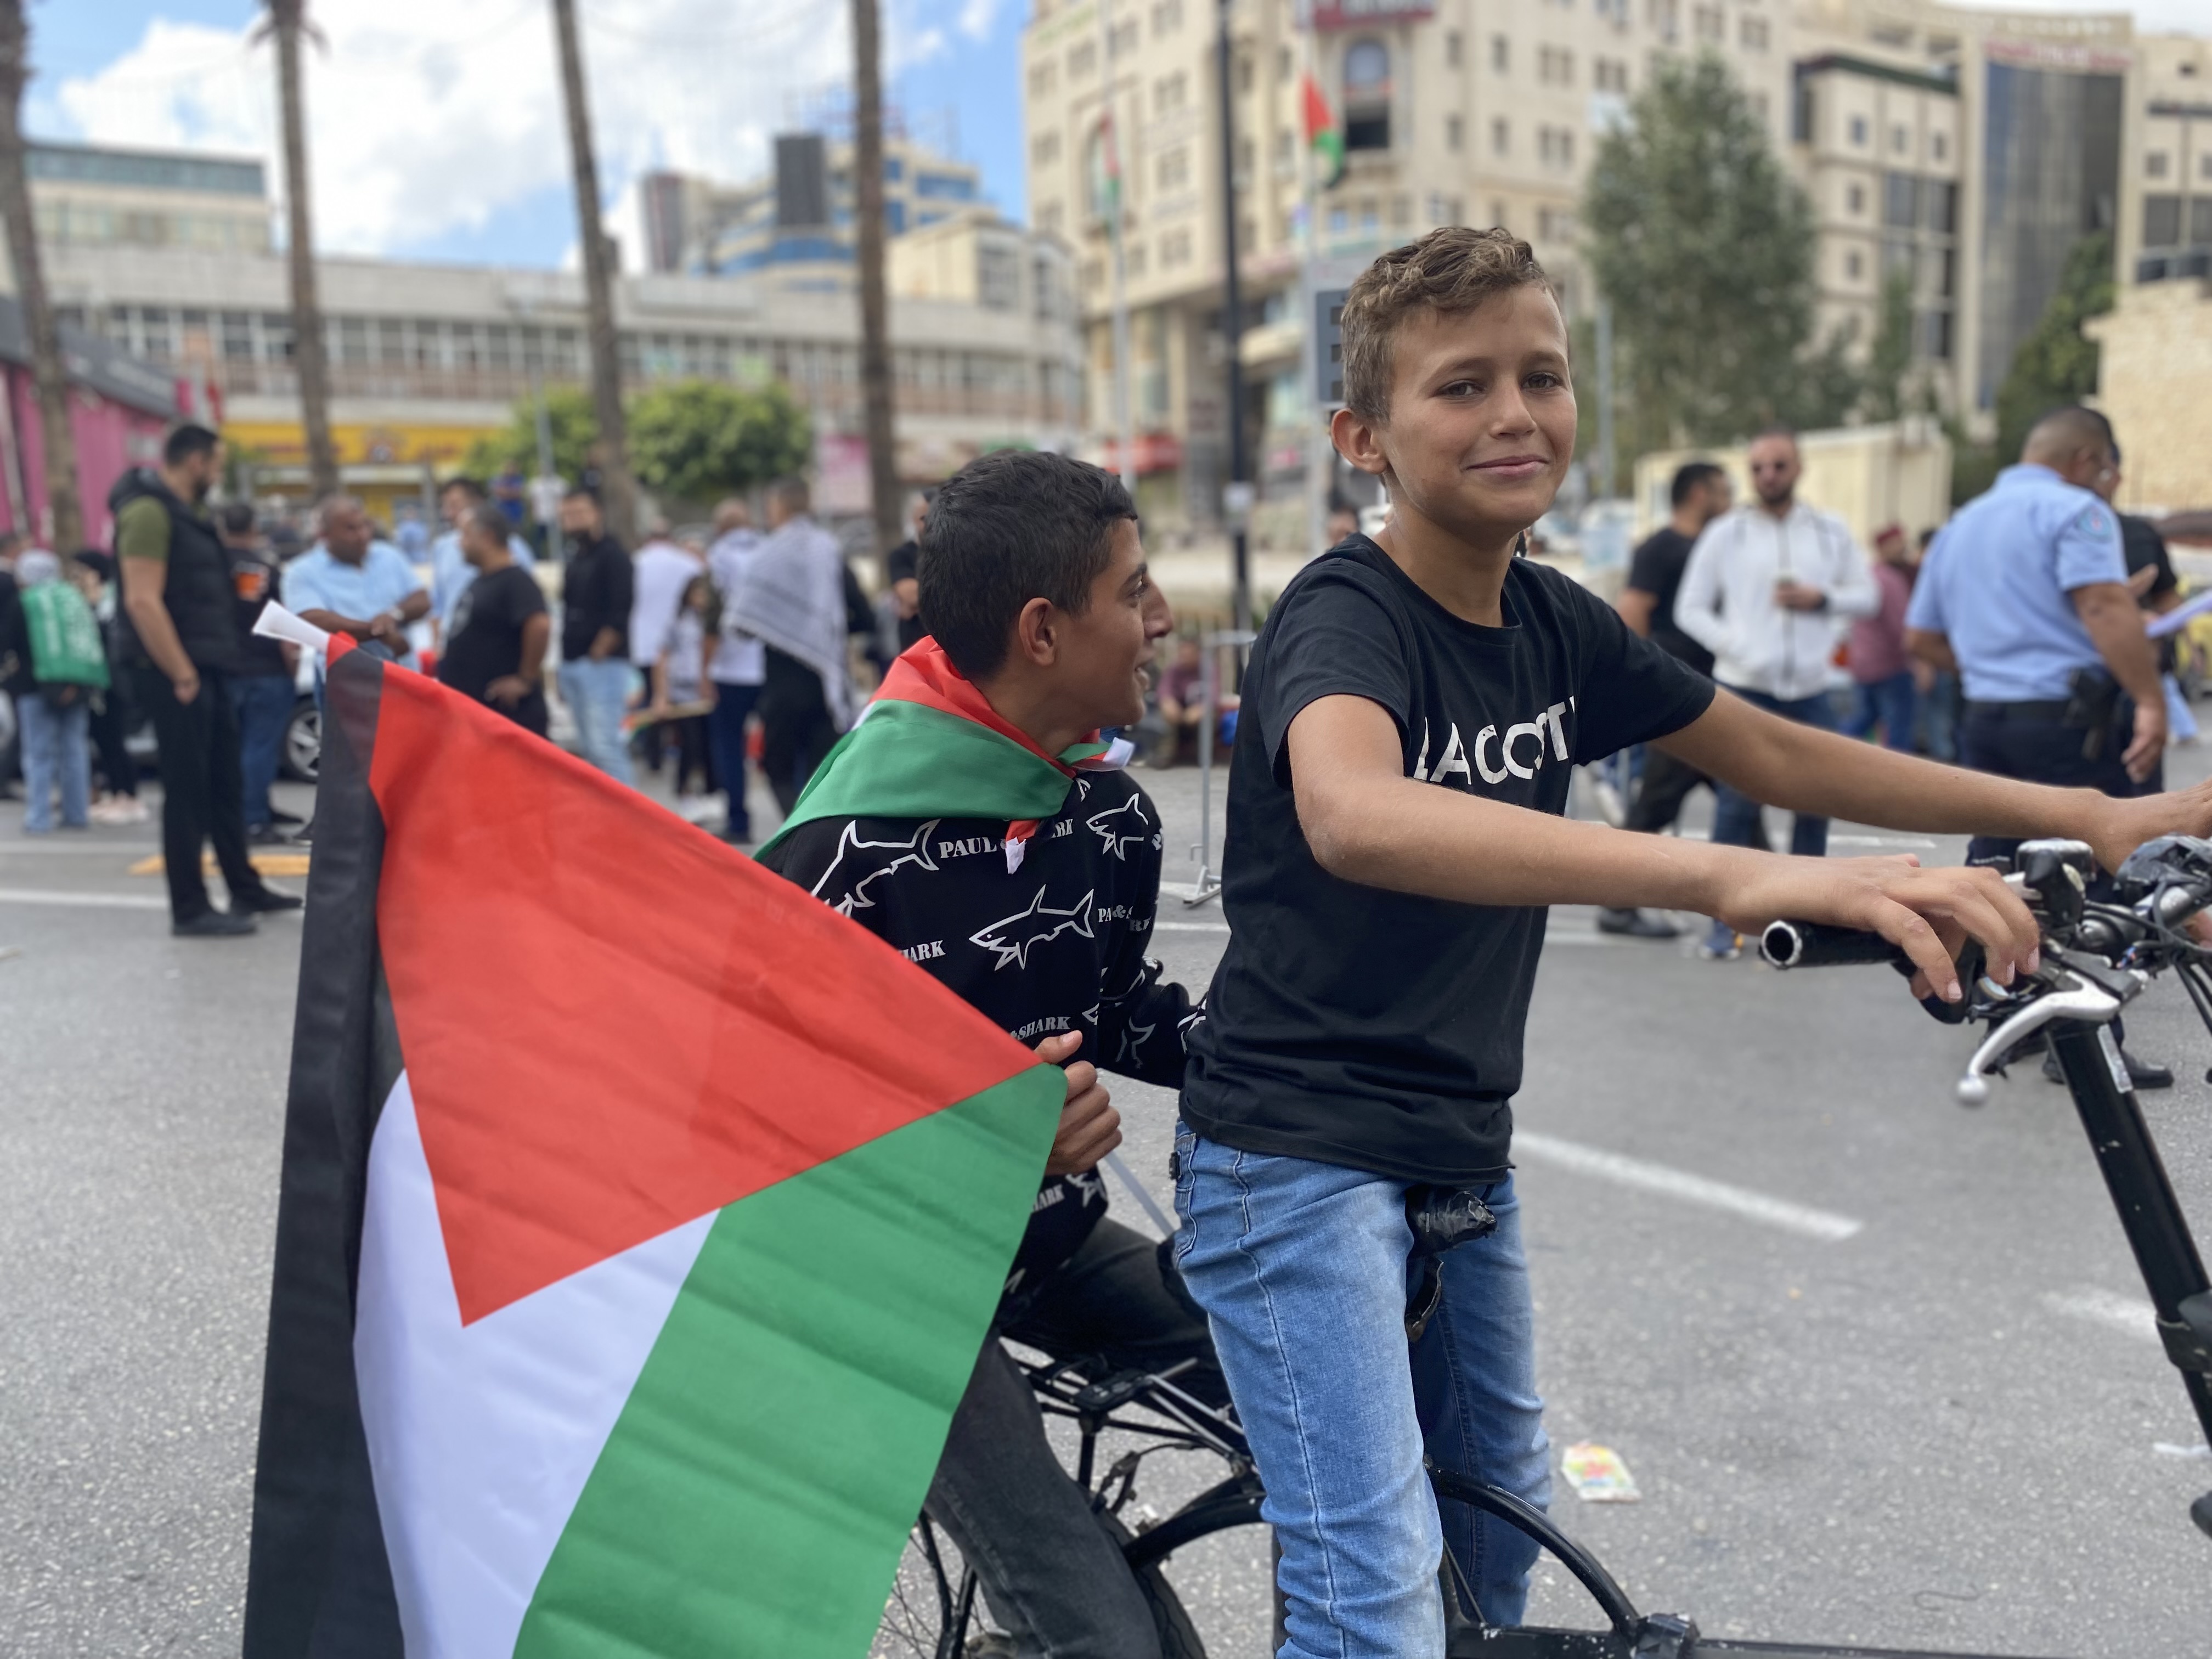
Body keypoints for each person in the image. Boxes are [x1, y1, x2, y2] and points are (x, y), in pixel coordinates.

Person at [1171, 228, 2212, 1659]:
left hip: (1456, 1141)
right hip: (1292, 1154)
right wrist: (1729, 881)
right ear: (1362, 435)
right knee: (1375, 1596)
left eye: (1542, 376)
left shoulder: (1553, 619)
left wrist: (2091, 814)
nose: (1515, 414)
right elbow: (1359, 813)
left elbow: (1775, 751)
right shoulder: (1344, 613)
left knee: (1498, 1544)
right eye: (1461, 387)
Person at [757, 449, 1215, 1659]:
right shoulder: (839, 857)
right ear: (1044, 632)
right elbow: (753, 1138)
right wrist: (993, 1138)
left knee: (1294, 1379)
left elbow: (1115, 1002)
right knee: (1108, 1642)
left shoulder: (1109, 814)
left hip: (1042, 1241)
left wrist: (1306, 1065)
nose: (1163, 619)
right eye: (1136, 589)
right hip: (882, 1290)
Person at [1905, 404, 2175, 1088]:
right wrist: (2149, 699)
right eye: (2109, 471)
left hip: (1990, 716)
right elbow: (2104, 609)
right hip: (2066, 719)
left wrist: (2001, 660)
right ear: (2089, 460)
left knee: (1997, 868)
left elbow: (1924, 640)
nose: (2108, 486)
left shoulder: (1963, 524)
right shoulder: (2077, 513)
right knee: (2086, 874)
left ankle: (1999, 1017)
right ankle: (2084, 1045)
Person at [1674, 427, 1878, 959]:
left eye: (1779, 466)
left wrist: (1822, 599)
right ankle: (1724, 926)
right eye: (1759, 467)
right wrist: (1738, 647)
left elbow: (1869, 597)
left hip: (1811, 688)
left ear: (1798, 468)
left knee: (1815, 803)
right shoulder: (1727, 534)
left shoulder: (1828, 532)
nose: (1768, 475)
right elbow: (1689, 608)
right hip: (1745, 688)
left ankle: (1807, 921)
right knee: (1735, 807)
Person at [114, 424, 301, 937]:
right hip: (174, 671)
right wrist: (182, 672)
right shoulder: (147, 512)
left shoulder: (190, 518)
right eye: (216, 464)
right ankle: (190, 907)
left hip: (207, 667)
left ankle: (244, 886)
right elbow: (141, 599)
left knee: (225, 782)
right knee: (188, 789)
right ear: (195, 461)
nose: (217, 474)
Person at [1598, 459, 1735, 939]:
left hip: (1712, 696)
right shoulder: (1662, 548)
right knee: (1656, 808)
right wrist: (1638, 689)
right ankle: (1616, 904)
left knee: (1746, 797)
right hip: (1678, 701)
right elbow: (1633, 611)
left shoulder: (1714, 547)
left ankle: (1780, 904)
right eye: (1723, 491)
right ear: (1699, 494)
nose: (1730, 499)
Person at [726, 477, 856, 813]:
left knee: (777, 765)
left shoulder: (767, 553)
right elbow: (858, 610)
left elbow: (742, 620)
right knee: (821, 772)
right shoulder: (828, 547)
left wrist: (780, 625)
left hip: (782, 681)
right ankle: (814, 837)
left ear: (780, 507)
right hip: (823, 681)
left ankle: (792, 831)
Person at [216, 503, 298, 845]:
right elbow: (283, 627)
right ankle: (253, 819)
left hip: (226, 667)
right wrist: (292, 665)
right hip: (266, 667)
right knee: (261, 746)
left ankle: (252, 808)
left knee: (234, 747)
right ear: (254, 529)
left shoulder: (210, 569)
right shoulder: (268, 570)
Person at [3, 549, 99, 833]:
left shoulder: (26, 602)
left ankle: (39, 818)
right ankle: (76, 814)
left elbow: (8, 642)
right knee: (75, 751)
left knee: (38, 754)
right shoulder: (72, 598)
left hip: (34, 687)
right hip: (78, 685)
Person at [437, 503, 550, 736]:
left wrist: (525, 679)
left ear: (487, 537)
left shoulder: (515, 581)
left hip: (508, 716)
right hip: (477, 714)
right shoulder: (482, 581)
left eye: (466, 535)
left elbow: (539, 625)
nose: (460, 544)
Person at [282, 496, 430, 668]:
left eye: (365, 525)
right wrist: (377, 631)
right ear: (325, 535)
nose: (362, 535)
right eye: (350, 529)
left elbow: (422, 599)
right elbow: (312, 618)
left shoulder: (389, 555)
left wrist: (393, 616)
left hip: (405, 674)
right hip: (347, 683)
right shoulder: (302, 571)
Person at [554, 487, 635, 783]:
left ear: (597, 513)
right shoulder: (576, 557)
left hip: (602, 666)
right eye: (566, 515)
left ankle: (632, 824)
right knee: (590, 750)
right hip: (575, 663)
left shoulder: (613, 555)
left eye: (579, 513)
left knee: (606, 748)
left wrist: (599, 651)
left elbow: (621, 609)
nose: (572, 520)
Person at [70, 550, 149, 826]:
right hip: (96, 681)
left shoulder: (110, 597)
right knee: (103, 741)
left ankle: (129, 796)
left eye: (81, 570)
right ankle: (116, 794)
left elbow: (105, 635)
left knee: (115, 741)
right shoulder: (82, 597)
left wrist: (92, 601)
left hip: (115, 682)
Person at [704, 497, 765, 843]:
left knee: (730, 746)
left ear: (719, 528)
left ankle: (739, 821)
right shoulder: (771, 552)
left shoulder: (718, 558)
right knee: (783, 749)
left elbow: (711, 620)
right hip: (771, 668)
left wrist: (703, 670)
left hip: (730, 670)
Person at [628, 521, 707, 773]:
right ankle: (688, 760)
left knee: (654, 704)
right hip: (685, 650)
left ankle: (654, 758)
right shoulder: (688, 563)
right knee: (686, 715)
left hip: (643, 644)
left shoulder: (636, 563)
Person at [427, 477, 534, 655]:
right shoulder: (443, 547)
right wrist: (438, 649)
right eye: (445, 506)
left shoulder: (513, 546)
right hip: (455, 650)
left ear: (477, 503)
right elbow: (438, 606)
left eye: (454, 504)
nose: (448, 513)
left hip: (499, 649)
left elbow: (531, 610)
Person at [1839, 524, 1919, 754]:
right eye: (1899, 543)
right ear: (1884, 547)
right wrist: (1918, 662)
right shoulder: (1889, 579)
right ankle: (1898, 784)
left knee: (1863, 720)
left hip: (1864, 666)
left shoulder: (1868, 575)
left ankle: (1832, 756)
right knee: (1898, 733)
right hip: (1890, 667)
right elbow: (1901, 628)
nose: (1905, 547)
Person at [650, 573, 715, 804]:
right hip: (684, 692)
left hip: (708, 692)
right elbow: (663, 657)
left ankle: (711, 792)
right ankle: (683, 790)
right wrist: (662, 694)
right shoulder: (678, 622)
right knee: (690, 742)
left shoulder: (713, 623)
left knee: (709, 745)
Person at [882, 488, 932, 656]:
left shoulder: (953, 552)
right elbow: (911, 595)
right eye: (923, 517)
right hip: (915, 647)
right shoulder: (901, 555)